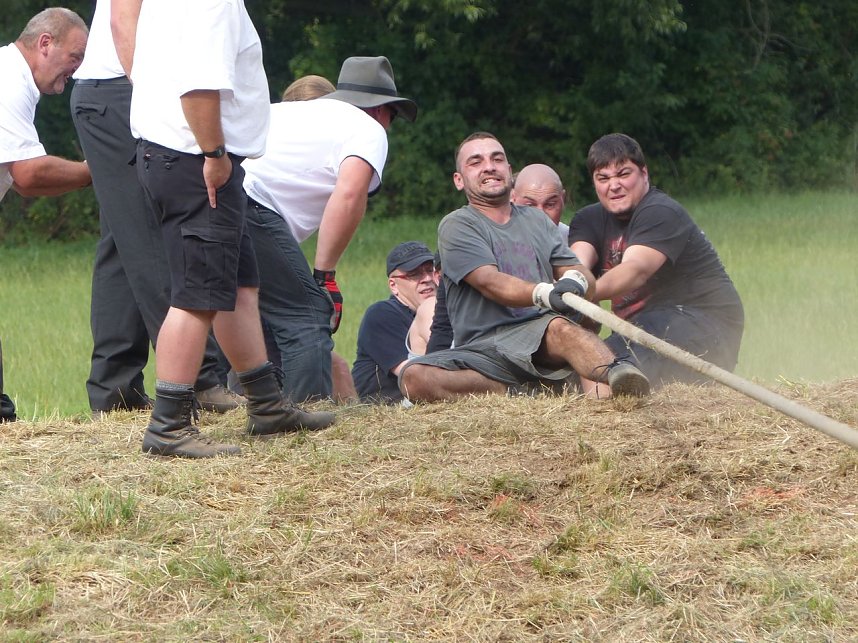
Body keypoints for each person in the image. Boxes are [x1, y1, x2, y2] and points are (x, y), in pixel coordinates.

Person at [129, 0, 335, 458]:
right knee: (198, 295)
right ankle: (168, 425)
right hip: (195, 159)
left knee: (238, 286)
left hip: (177, 155)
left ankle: (266, 404)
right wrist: (215, 153)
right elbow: (198, 85)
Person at [70, 0, 243, 417]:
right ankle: (198, 380)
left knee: (123, 242)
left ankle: (116, 391)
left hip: (111, 93)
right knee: (152, 238)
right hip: (123, 90)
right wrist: (151, 95)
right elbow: (122, 18)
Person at [399, 132, 651, 402]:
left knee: (561, 328)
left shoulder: (537, 220)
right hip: (481, 351)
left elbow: (582, 274)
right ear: (459, 180)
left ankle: (620, 376)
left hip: (540, 334)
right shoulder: (457, 225)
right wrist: (546, 293)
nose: (489, 167)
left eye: (497, 159)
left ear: (509, 172)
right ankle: (519, 392)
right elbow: (489, 282)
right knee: (413, 377)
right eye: (476, 162)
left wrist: (574, 281)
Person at [241, 56, 417, 402]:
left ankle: (251, 404)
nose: (388, 126)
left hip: (208, 195)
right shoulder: (367, 128)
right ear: (380, 109)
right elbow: (350, 194)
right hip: (252, 204)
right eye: (393, 116)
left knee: (244, 308)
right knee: (307, 312)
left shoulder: (289, 113)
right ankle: (303, 419)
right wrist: (325, 277)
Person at [569, 133, 744, 387]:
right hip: (642, 328)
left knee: (606, 371)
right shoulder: (587, 220)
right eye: (603, 178)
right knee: (586, 368)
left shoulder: (660, 211)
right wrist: (570, 282)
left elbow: (636, 269)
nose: (613, 185)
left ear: (644, 173)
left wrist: (578, 290)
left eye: (623, 174)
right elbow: (577, 265)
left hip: (703, 321)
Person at [1, 7, 93, 423]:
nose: (76, 70)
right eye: (75, 57)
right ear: (45, 43)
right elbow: (29, 174)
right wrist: (97, 173)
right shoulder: (9, 80)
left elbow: (21, 182)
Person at [418, 162, 572, 355]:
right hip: (492, 349)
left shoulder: (569, 238)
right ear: (513, 199)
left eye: (550, 204)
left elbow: (588, 307)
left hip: (554, 339)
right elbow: (443, 325)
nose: (539, 214)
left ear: (562, 200)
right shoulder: (467, 238)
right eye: (530, 205)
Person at [352, 241, 437, 403]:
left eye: (430, 270)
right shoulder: (382, 314)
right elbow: (415, 377)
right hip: (389, 410)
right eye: (414, 274)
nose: (427, 278)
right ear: (394, 285)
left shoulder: (448, 311)